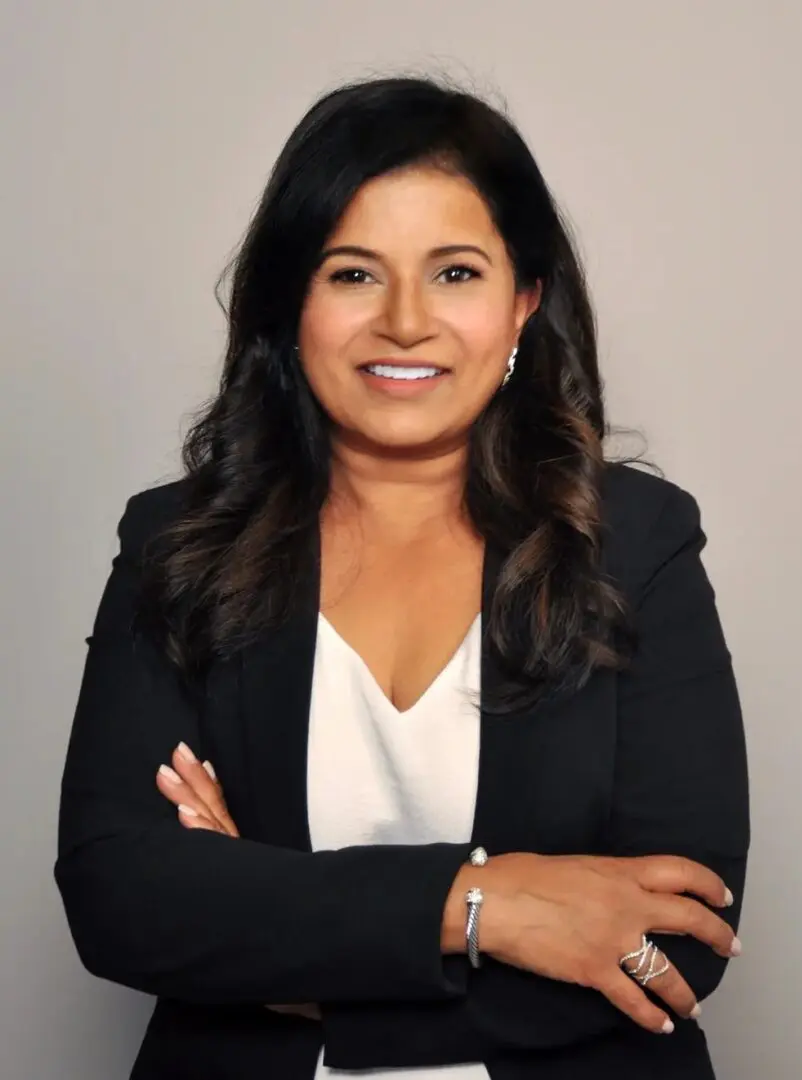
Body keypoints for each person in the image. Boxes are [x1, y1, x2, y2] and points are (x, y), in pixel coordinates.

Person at [54, 75, 750, 1080]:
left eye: (456, 273)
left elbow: (677, 944)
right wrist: (487, 903)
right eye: (353, 274)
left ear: (523, 303)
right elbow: (123, 898)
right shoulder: (178, 544)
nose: (406, 322)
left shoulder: (636, 545)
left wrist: (282, 954)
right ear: (291, 303)